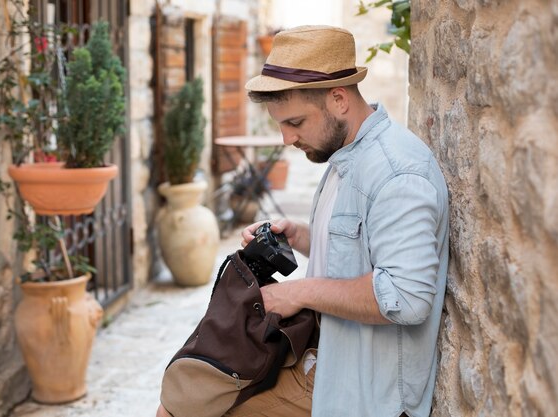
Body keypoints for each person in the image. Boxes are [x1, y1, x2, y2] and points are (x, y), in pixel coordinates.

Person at [157, 25, 449, 417]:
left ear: (339, 99)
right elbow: (361, 245)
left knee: (187, 409)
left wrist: (298, 293)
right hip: (322, 359)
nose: (285, 138)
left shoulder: (397, 174)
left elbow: (406, 296)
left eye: (295, 122)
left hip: (359, 390)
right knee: (183, 400)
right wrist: (298, 236)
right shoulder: (347, 156)